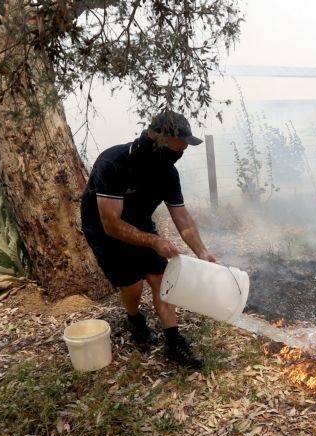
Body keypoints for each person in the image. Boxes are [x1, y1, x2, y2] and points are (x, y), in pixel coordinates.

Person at [80, 110, 216, 370]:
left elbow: (182, 218)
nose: (184, 148)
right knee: (132, 287)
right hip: (103, 227)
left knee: (160, 280)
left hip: (139, 222)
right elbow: (111, 223)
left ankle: (174, 342)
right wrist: (155, 242)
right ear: (159, 138)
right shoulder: (114, 162)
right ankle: (134, 319)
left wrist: (202, 251)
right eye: (181, 142)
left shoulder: (167, 173)